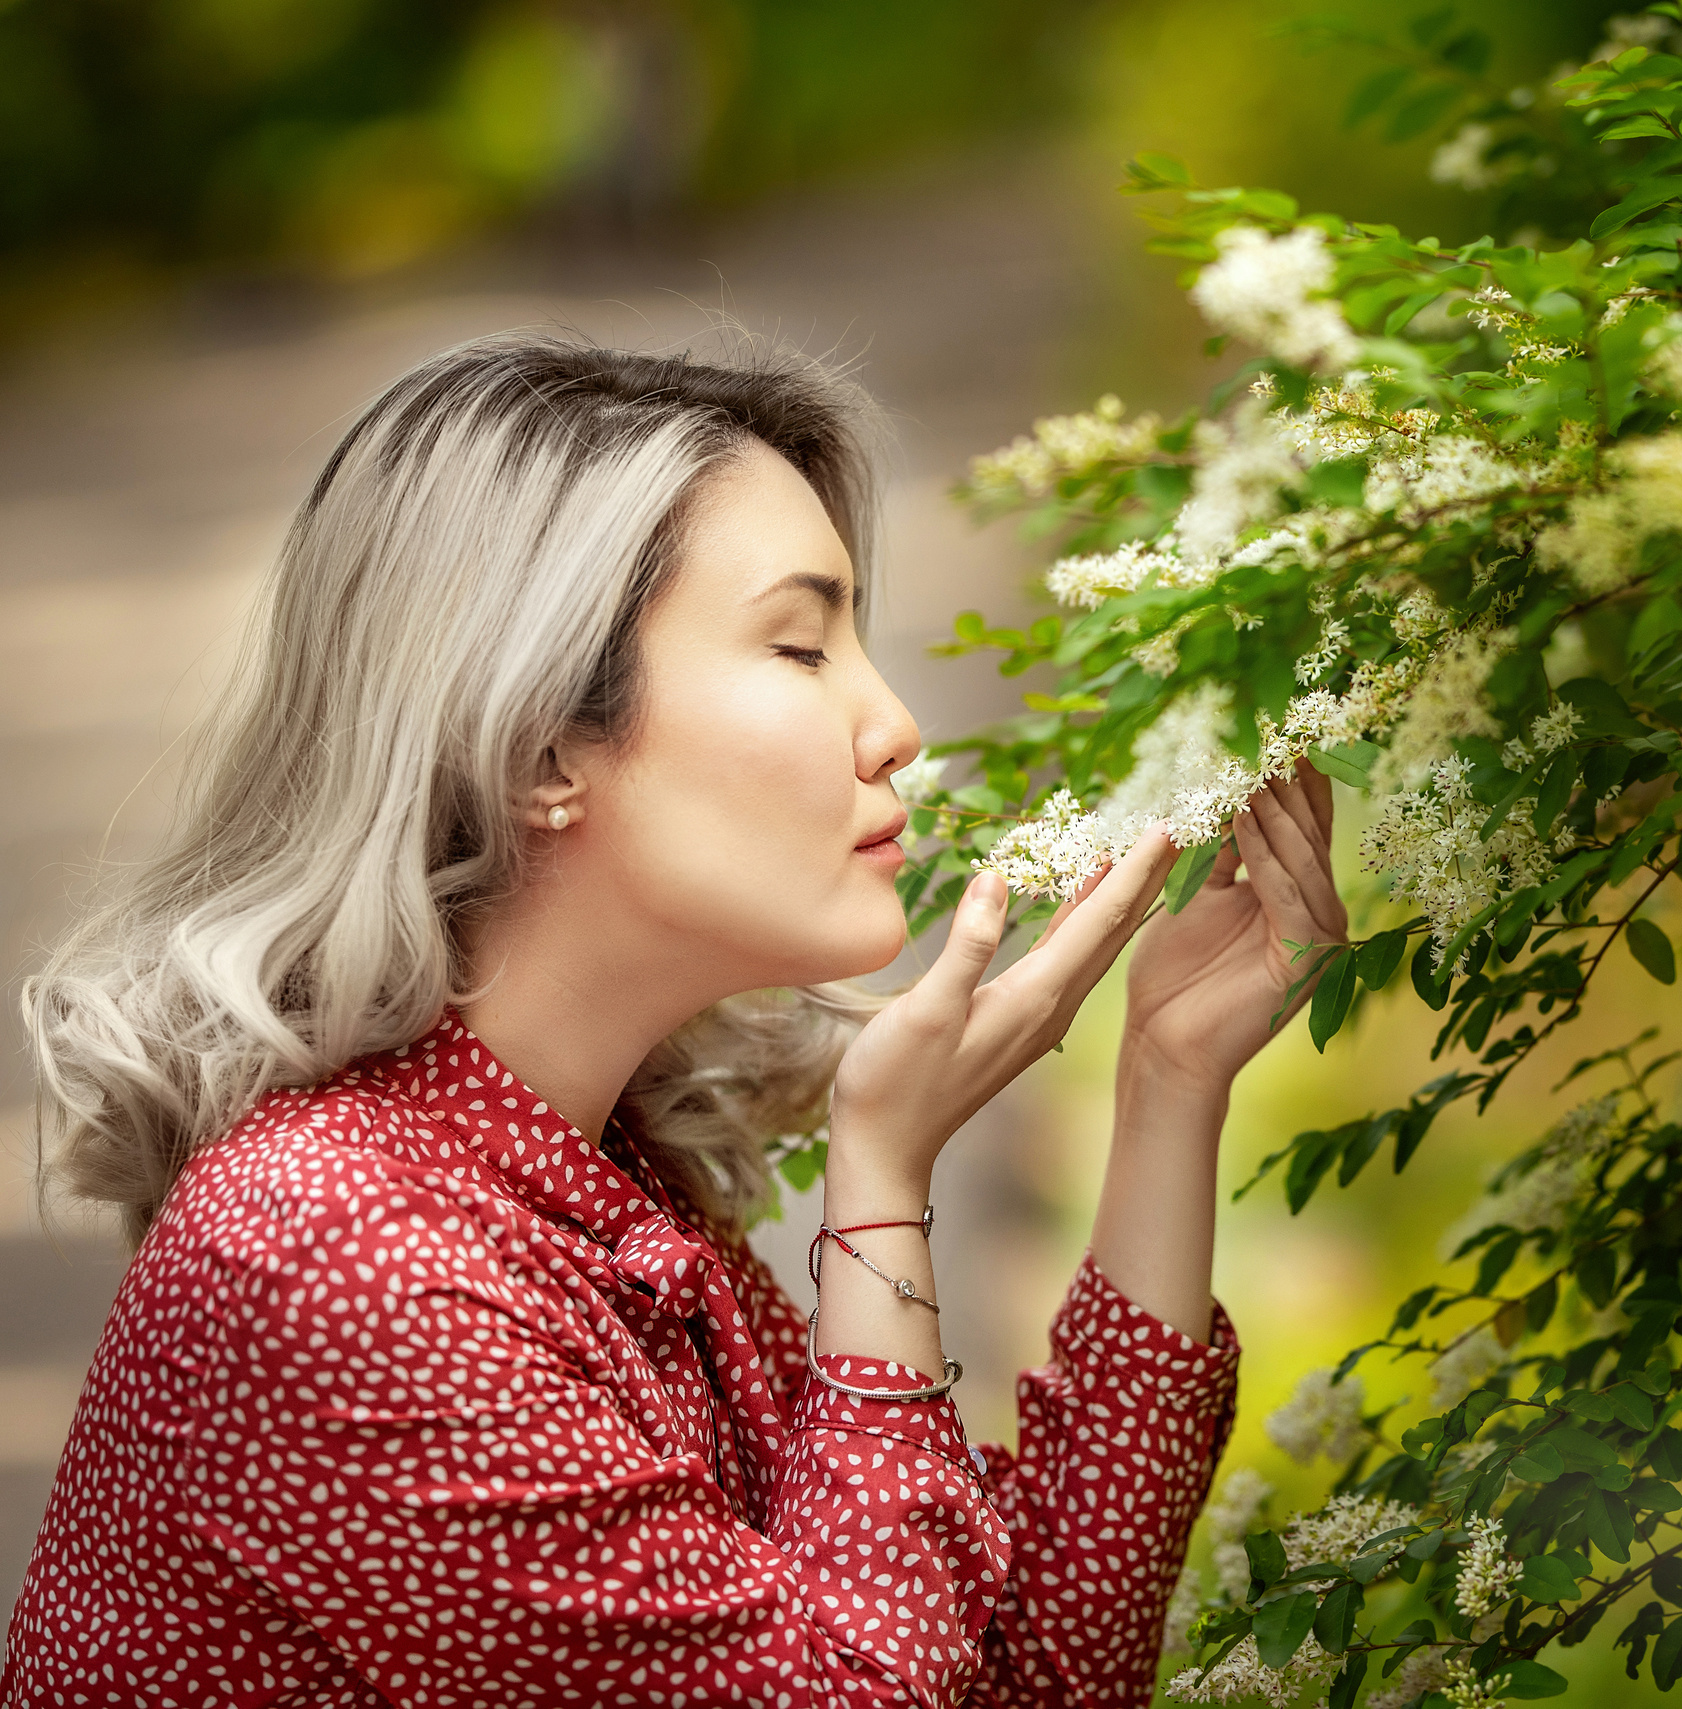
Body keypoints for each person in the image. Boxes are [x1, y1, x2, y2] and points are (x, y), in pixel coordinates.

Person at [4, 335, 1347, 1706]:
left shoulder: (604, 1183)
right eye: (801, 643)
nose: (894, 727)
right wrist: (877, 1185)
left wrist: (1171, 1079)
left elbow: (1023, 1675)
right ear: (538, 749)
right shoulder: (341, 1259)